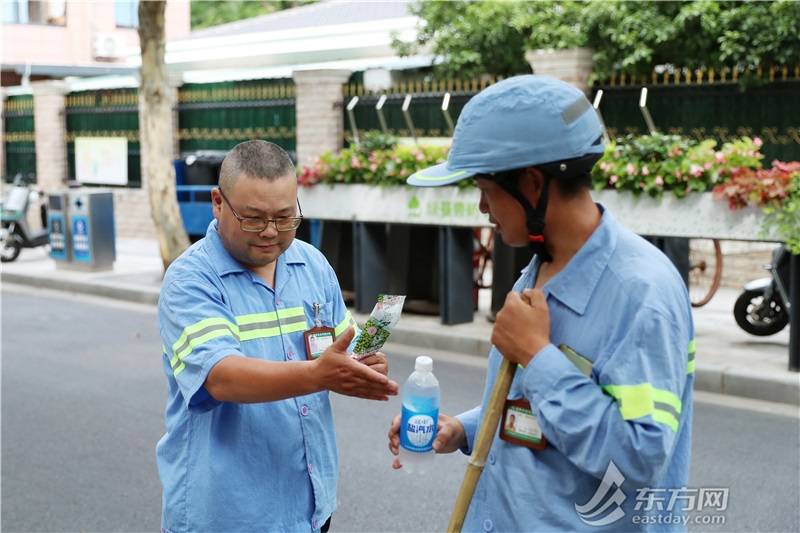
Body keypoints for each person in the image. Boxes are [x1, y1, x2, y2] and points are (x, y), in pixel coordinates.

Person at [388, 75, 695, 530]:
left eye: (487, 189)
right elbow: (526, 407)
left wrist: (538, 355)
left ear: (532, 184)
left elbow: (639, 456)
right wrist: (464, 430)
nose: (482, 208)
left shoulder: (642, 292)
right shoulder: (540, 267)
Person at [158, 140, 398, 533]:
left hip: (309, 506)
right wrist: (320, 374)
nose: (271, 232)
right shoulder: (190, 279)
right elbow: (221, 377)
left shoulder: (312, 265)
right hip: (229, 514)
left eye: (286, 217)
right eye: (253, 219)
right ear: (218, 202)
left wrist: (362, 366)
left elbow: (341, 348)